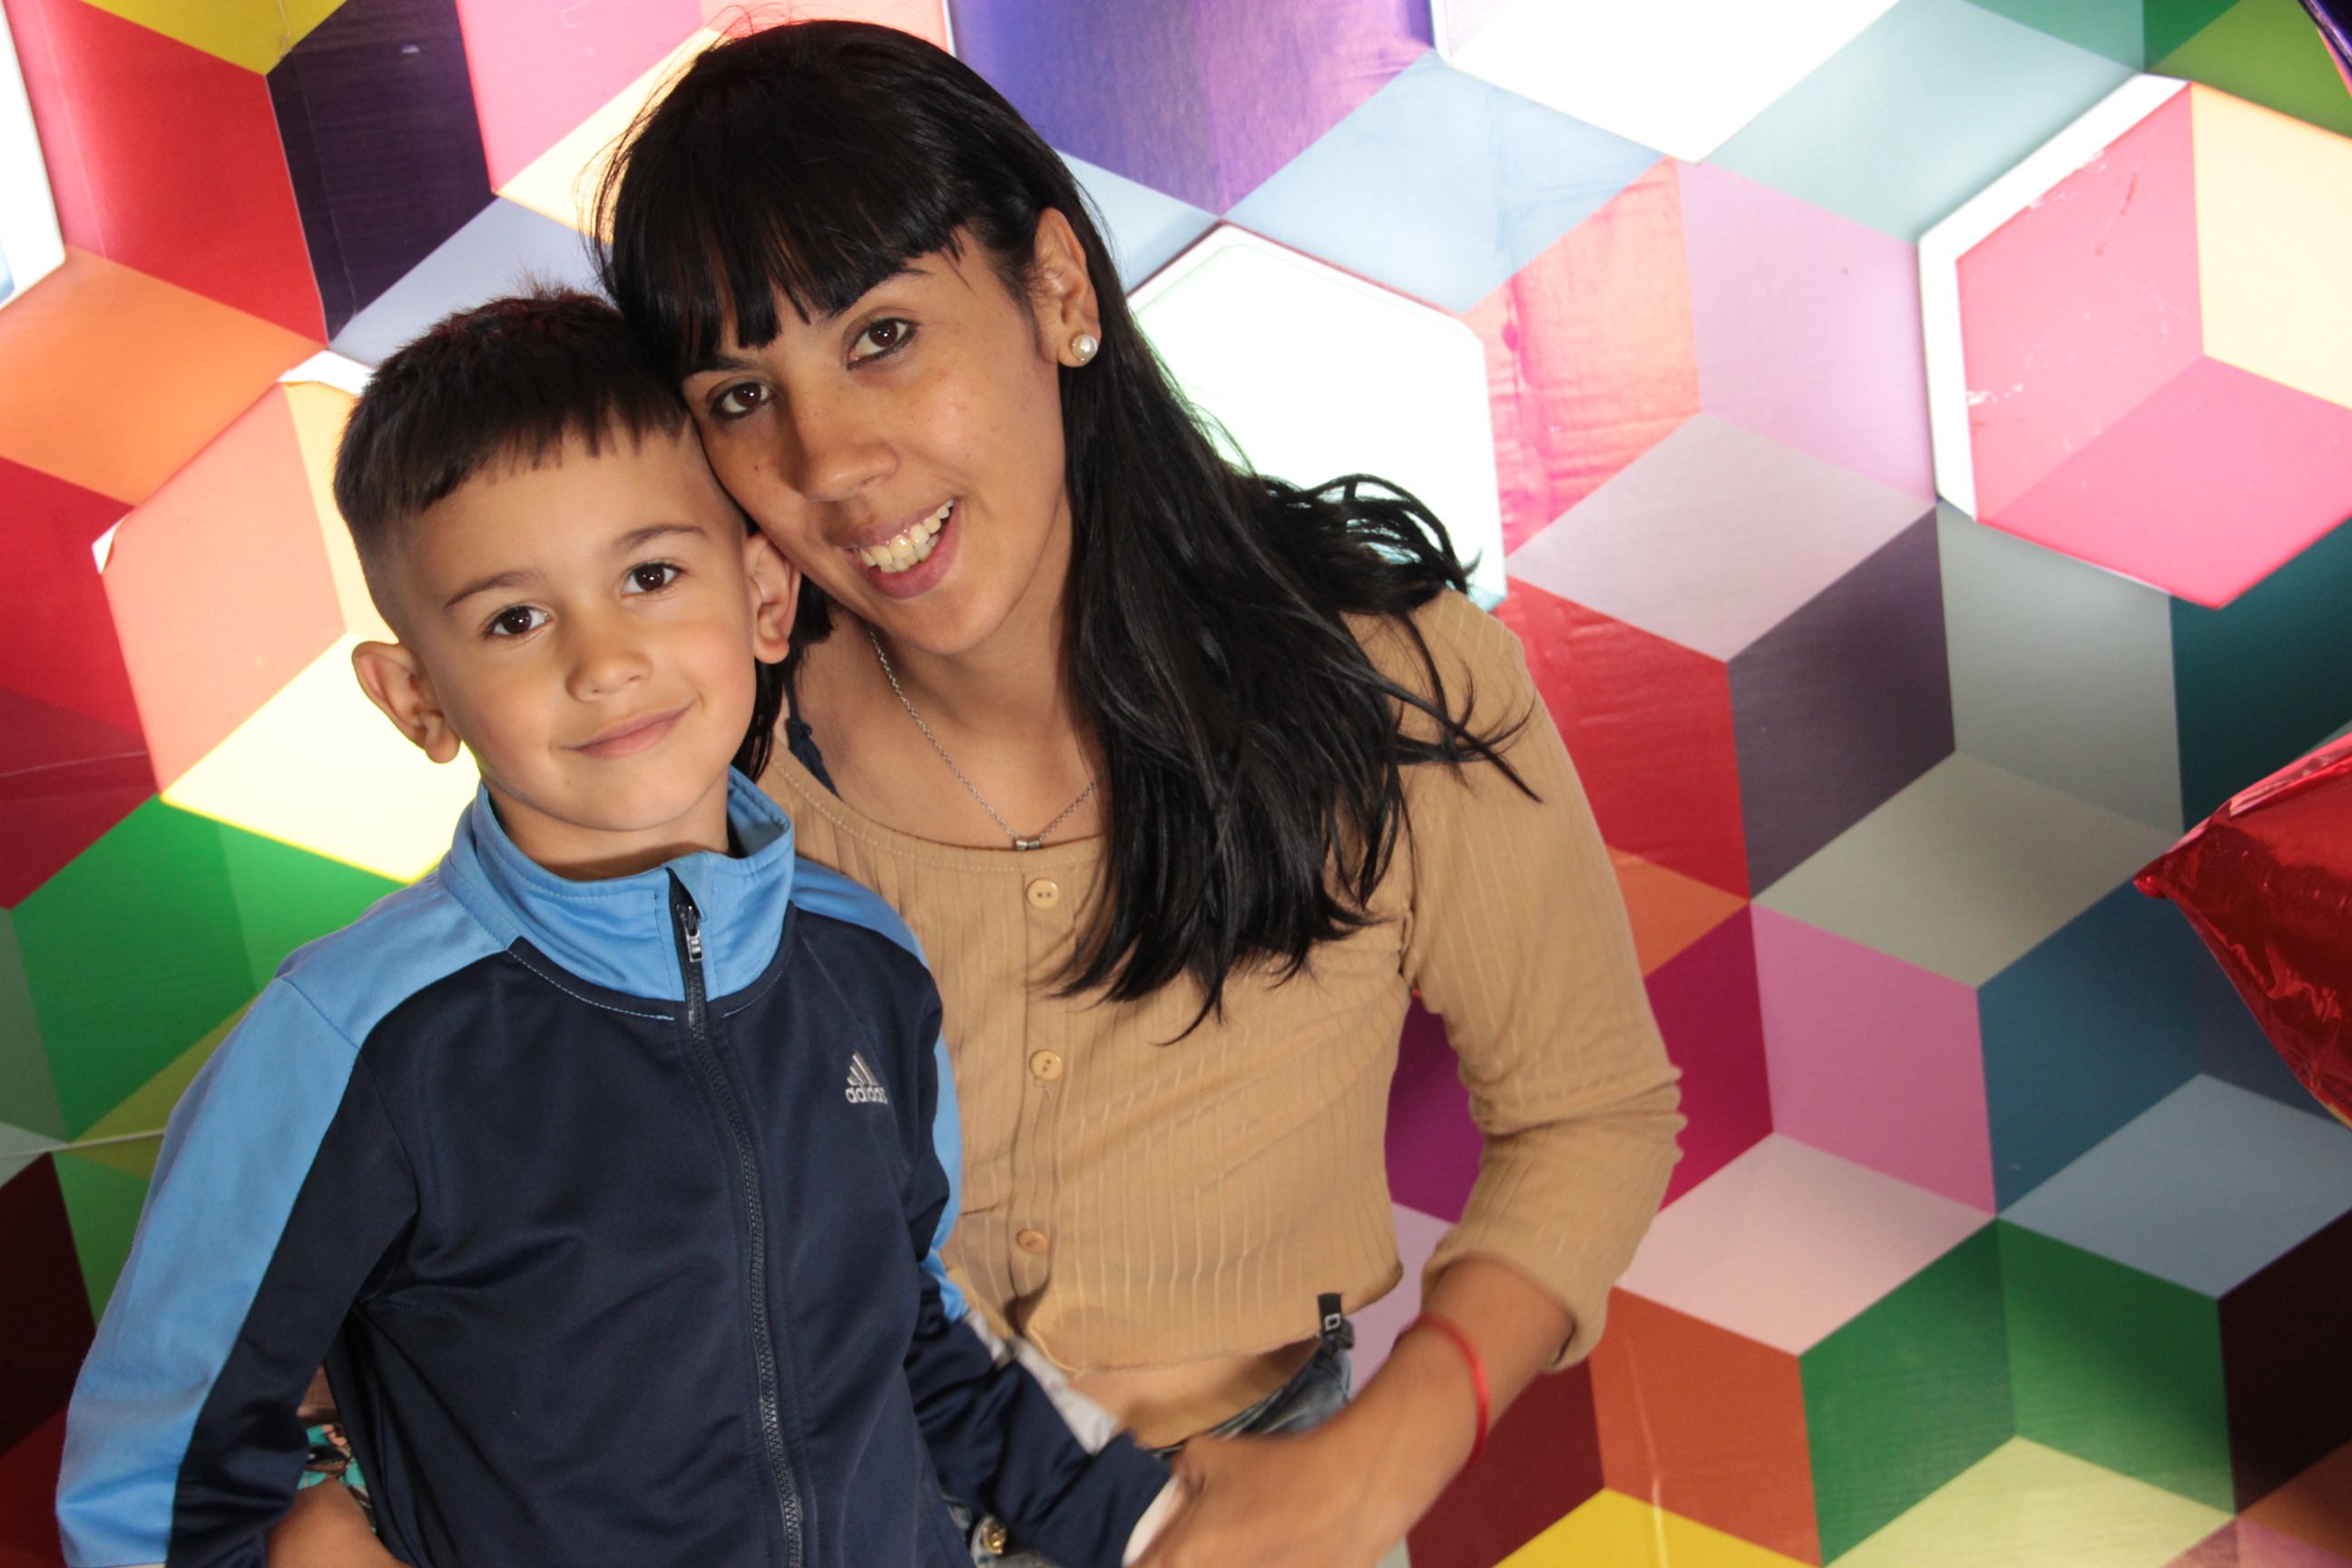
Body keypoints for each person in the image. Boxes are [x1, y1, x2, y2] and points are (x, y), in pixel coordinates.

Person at [279, 20, 1684, 1567]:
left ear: (1058, 291)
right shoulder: (696, 751)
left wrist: (1384, 1461)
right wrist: (321, 1489)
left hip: (1250, 1508)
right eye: (741, 396)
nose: (831, 460)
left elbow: (1590, 1112)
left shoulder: (1390, 683)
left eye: (883, 334)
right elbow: (463, 1155)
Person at [55, 293, 1175, 1568]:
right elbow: (154, 1487)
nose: (603, 662)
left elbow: (913, 1330)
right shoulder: (354, 1043)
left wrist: (1154, 1528)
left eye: (650, 577)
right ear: (417, 697)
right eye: (514, 620)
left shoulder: (865, 963)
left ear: (763, 596)